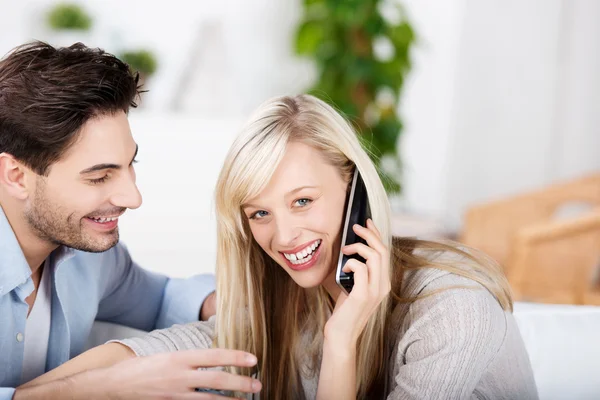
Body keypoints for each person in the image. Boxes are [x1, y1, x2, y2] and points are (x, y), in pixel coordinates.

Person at [24, 94, 539, 399]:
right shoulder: (292, 298)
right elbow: (166, 349)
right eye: (260, 214)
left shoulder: (451, 312)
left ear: (355, 189)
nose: (284, 237)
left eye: (303, 201)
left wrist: (342, 344)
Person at [0, 41, 261, 399]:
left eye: (129, 165)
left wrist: (227, 303)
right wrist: (95, 388)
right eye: (98, 177)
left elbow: (160, 297)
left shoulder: (91, 257)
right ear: (15, 175)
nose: (132, 198)